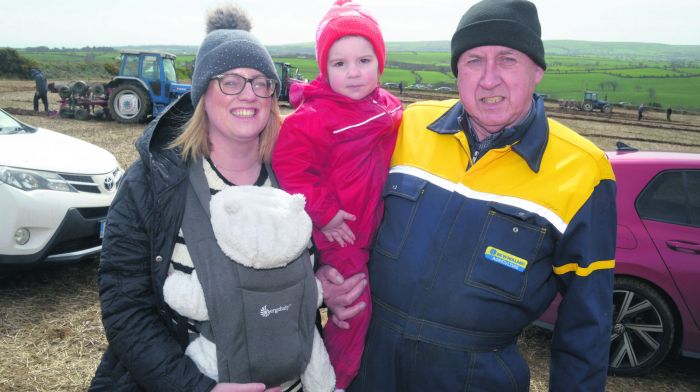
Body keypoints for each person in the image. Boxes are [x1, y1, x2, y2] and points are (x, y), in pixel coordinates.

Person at [324, 0, 617, 391]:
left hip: (476, 378)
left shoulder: (583, 170)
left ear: (537, 72)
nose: (489, 79)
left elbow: (587, 325)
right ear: (457, 72)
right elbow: (338, 204)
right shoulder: (407, 126)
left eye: (508, 60)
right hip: (370, 368)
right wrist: (323, 273)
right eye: (474, 60)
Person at [90, 4, 335, 392]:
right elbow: (125, 308)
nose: (249, 94)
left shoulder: (296, 177)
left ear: (273, 95)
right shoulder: (153, 182)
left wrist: (330, 284)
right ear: (203, 91)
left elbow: (315, 274)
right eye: (230, 81)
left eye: (260, 82)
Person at [272, 1, 402, 390]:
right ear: (324, 69)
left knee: (378, 308)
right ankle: (332, 381)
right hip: (340, 232)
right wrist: (325, 213)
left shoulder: (389, 108)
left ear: (379, 63)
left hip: (376, 230)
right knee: (353, 310)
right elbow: (290, 166)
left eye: (364, 60)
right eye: (339, 64)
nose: (353, 72)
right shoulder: (315, 116)